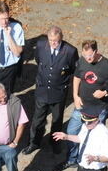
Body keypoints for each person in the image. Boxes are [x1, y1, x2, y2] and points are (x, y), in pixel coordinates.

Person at [61, 39, 108, 169]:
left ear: (96, 51)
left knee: (94, 136)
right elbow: (77, 77)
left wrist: (104, 92)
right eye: (85, 54)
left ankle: (91, 160)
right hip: (81, 106)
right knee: (72, 130)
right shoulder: (82, 61)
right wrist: (75, 96)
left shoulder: (107, 66)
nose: (87, 58)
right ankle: (72, 159)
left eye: (90, 55)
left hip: (99, 109)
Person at [23, 26, 79, 155]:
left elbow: (73, 70)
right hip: (42, 89)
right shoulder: (41, 45)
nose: (53, 43)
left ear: (61, 39)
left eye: (56, 40)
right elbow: (39, 60)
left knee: (57, 120)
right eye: (50, 40)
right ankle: (34, 142)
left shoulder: (70, 51)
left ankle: (54, 142)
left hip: (58, 92)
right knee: (38, 119)